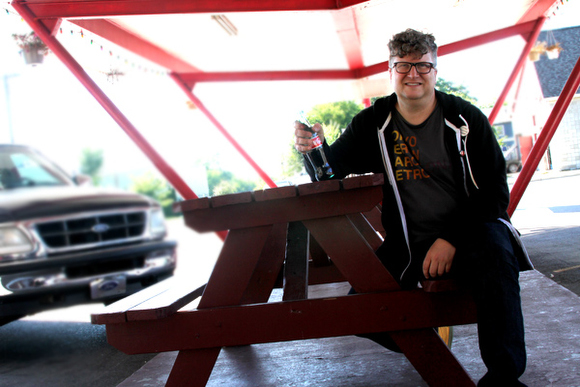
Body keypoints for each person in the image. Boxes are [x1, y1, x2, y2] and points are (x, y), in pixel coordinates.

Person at [294, 28, 533, 387]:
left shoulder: (464, 119)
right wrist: (312, 150)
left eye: (422, 66)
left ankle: (504, 377)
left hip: (472, 236)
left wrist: (450, 239)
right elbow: (331, 173)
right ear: (390, 72)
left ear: (435, 71)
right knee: (362, 314)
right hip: (409, 244)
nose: (413, 75)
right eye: (403, 66)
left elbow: (496, 193)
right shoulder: (375, 122)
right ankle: (425, 337)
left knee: (497, 255)